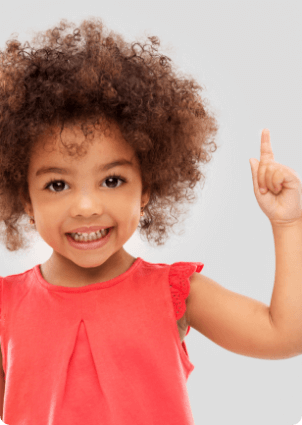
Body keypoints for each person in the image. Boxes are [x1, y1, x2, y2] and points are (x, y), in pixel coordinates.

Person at [0, 17, 301, 425]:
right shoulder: (6, 306)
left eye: (112, 180)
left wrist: (288, 225)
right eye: (57, 185)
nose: (86, 206)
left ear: (146, 189)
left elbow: (283, 334)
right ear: (26, 199)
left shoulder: (175, 293)